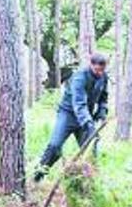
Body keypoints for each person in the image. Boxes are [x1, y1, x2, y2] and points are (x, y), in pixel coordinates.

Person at [33, 53, 109, 182]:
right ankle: (39, 174)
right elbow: (79, 103)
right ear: (91, 65)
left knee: (91, 150)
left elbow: (104, 97)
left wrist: (102, 111)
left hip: (86, 117)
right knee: (55, 146)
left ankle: (93, 183)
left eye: (102, 70)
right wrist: (88, 123)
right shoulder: (79, 77)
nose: (100, 73)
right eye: (97, 70)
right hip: (68, 115)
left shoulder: (103, 77)